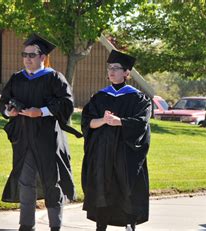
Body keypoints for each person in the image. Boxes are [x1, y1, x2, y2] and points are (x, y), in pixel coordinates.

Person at [0, 33, 80, 231]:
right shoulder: (17, 78)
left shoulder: (54, 78)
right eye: (24, 54)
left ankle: (55, 226)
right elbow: (4, 101)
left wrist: (41, 112)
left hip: (48, 139)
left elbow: (66, 103)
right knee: (25, 182)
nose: (27, 58)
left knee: (52, 181)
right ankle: (26, 225)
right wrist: (9, 111)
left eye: (32, 55)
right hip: (24, 138)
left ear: (42, 57)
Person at [81, 50, 151, 231]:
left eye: (116, 68)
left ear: (127, 73)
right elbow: (87, 123)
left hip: (125, 155)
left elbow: (142, 123)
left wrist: (120, 122)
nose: (111, 71)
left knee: (126, 189)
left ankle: (130, 224)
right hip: (102, 154)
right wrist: (103, 120)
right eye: (109, 68)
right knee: (102, 188)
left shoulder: (138, 98)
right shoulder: (99, 97)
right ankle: (101, 226)